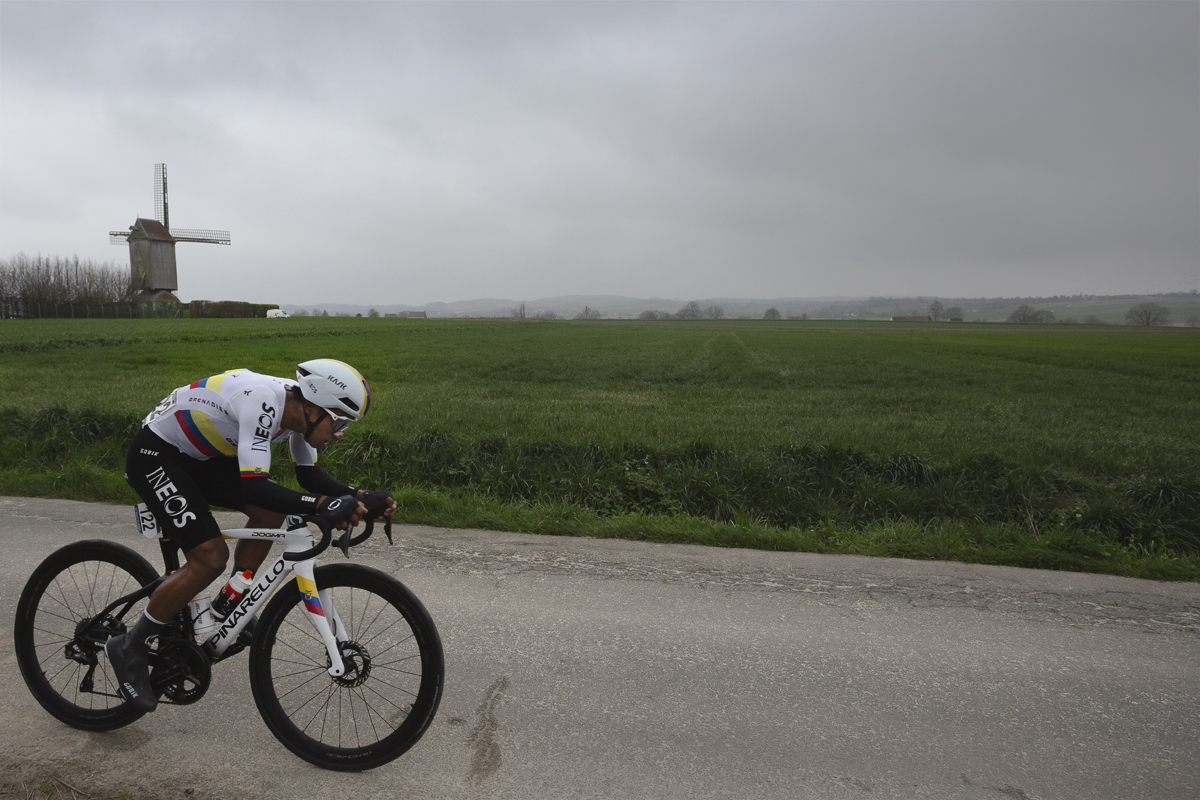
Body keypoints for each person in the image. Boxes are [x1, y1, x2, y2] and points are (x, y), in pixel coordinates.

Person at [106, 359, 396, 712]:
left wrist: (361, 497)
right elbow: (256, 486)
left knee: (272, 511)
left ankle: (230, 601)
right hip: (157, 454)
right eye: (339, 421)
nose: (339, 433)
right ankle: (129, 645)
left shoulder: (297, 414)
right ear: (311, 407)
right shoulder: (263, 400)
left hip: (200, 457)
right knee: (210, 558)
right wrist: (322, 505)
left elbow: (309, 478)